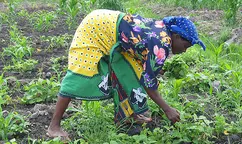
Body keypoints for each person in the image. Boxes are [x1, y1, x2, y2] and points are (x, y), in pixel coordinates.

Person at [47, 9, 206, 139]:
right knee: (79, 74)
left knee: (131, 72)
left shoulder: (163, 33)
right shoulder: (162, 44)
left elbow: (143, 54)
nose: (185, 50)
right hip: (95, 29)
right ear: (176, 36)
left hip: (110, 27)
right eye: (186, 45)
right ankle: (54, 126)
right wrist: (167, 109)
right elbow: (149, 83)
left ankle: (127, 116)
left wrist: (153, 69)